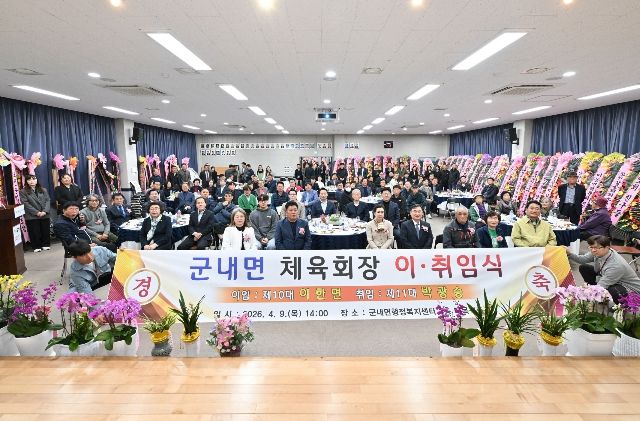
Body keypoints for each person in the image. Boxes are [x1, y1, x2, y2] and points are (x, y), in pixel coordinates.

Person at [566, 235, 640, 303]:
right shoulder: (598, 252)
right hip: (610, 279)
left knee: (614, 291)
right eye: (591, 247)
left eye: (596, 248)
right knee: (584, 268)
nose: (593, 250)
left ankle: (620, 306)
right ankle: (598, 296)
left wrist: (581, 292)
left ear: (607, 247)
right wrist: (570, 254)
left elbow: (602, 285)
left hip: (630, 288)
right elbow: (583, 259)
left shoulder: (616, 265)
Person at [20, 174, 51, 252]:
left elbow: (48, 200)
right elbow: (25, 204)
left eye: (33, 179)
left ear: (37, 180)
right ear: (26, 181)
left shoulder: (43, 189)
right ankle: (36, 246)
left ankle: (46, 244)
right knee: (34, 231)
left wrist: (45, 211)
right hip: (32, 215)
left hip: (44, 213)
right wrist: (37, 212)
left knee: (45, 230)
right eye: (29, 180)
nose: (32, 181)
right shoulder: (23, 191)